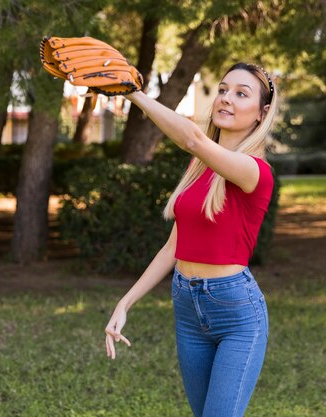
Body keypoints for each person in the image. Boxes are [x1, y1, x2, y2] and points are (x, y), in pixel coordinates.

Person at [104, 63, 278, 417]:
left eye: (241, 94)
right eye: (224, 89)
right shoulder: (198, 167)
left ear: (261, 115)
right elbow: (173, 248)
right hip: (186, 306)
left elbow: (192, 138)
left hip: (237, 313)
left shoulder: (254, 171)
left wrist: (133, 93)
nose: (227, 98)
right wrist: (126, 302)